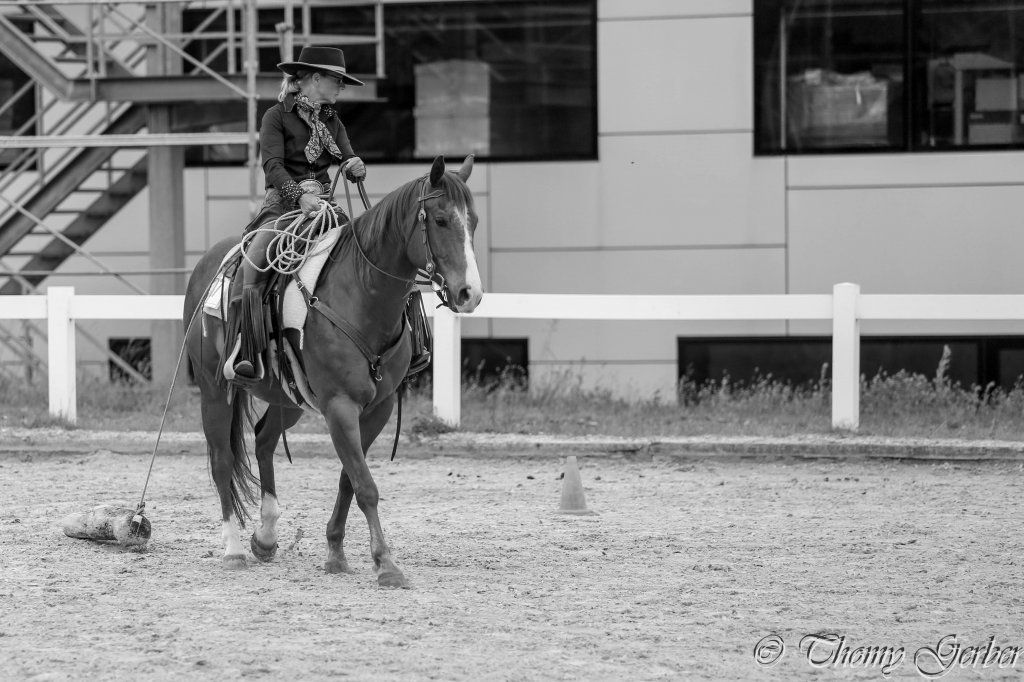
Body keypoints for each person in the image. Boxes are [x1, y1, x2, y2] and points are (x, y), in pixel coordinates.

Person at [230, 45, 367, 380]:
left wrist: (355, 166)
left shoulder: (333, 121)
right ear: (315, 78)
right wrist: (297, 195)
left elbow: (346, 158)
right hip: (282, 203)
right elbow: (272, 165)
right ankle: (246, 348)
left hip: (324, 205)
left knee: (364, 249)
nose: (341, 87)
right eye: (337, 80)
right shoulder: (275, 116)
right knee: (257, 257)